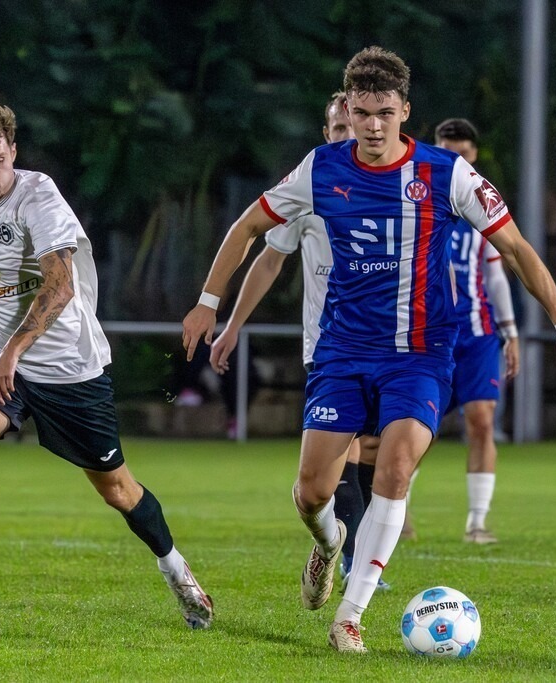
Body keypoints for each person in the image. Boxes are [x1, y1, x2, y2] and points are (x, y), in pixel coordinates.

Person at [182, 47, 556, 653]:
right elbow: (250, 228)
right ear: (345, 111)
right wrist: (207, 301)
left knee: (396, 468)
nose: (371, 126)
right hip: (342, 352)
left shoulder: (446, 175)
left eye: (384, 112)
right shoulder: (320, 170)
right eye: (359, 113)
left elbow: (514, 248)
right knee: (312, 493)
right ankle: (327, 546)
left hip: (420, 354)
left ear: (405, 111)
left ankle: (350, 616)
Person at [0, 102, 213, 628]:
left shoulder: (38, 195)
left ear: (13, 151)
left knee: (117, 489)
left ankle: (176, 570)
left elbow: (61, 286)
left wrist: (14, 350)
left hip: (70, 369)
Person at [209, 92, 390, 592]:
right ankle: (348, 556)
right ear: (326, 133)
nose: (347, 137)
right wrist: (233, 324)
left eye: (352, 127)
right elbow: (269, 258)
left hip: (389, 344)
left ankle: (349, 550)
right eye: (336, 129)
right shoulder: (309, 187)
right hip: (329, 347)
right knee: (346, 457)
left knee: (377, 450)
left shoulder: (397, 183)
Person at [436, 118, 520, 544]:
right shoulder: (422, 198)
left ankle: (476, 521)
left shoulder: (483, 204)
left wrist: (511, 333)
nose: (458, 159)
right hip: (431, 334)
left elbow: (497, 274)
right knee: (411, 429)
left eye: (465, 152)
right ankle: (397, 509)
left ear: (474, 155)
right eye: (449, 150)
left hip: (479, 332)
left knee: (482, 421)